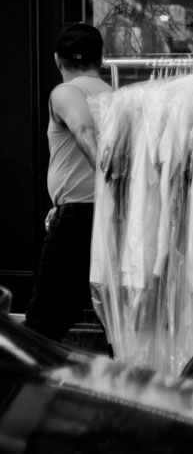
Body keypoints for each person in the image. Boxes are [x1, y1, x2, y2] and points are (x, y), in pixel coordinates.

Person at [24, 23, 113, 342]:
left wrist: (107, 184)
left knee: (42, 324)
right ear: (100, 60)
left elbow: (84, 131)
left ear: (57, 59)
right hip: (109, 217)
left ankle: (27, 388)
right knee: (110, 317)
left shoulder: (66, 92)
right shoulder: (113, 96)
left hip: (79, 217)